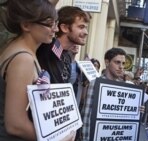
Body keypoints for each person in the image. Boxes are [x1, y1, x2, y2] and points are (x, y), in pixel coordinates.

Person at [0, 0, 58, 140]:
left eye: (56, 23)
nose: (55, 29)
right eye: (50, 24)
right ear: (26, 25)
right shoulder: (23, 59)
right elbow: (15, 125)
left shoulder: (19, 49)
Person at [81, 48, 144, 141]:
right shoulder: (95, 84)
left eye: (123, 63)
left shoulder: (125, 86)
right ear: (107, 62)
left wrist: (138, 111)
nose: (121, 67)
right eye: (117, 62)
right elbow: (86, 115)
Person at [36, 6, 90, 84]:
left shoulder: (67, 56)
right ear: (64, 28)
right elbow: (40, 13)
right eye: (81, 27)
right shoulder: (46, 46)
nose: (86, 32)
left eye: (86, 27)